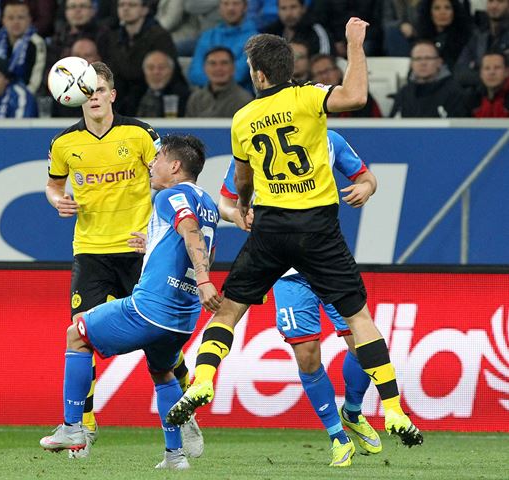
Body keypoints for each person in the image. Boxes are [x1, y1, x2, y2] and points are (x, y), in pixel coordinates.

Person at [167, 24, 424, 462]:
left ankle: (204, 378)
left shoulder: (244, 117)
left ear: (259, 75)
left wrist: (247, 207)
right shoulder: (309, 98)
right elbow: (356, 96)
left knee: (229, 311)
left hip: (270, 227)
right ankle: (395, 407)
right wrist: (357, 45)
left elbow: (242, 182)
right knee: (359, 318)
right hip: (318, 229)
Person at [45, 61, 203, 460]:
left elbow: (170, 178)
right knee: (82, 336)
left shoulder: (140, 133)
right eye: (87, 90)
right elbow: (53, 184)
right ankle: (83, 427)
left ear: (112, 94)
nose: (94, 96)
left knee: (159, 350)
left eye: (100, 89)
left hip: (137, 253)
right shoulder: (64, 143)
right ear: (77, 96)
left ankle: (184, 414)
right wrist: (57, 201)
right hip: (91, 251)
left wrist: (152, 236)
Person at [218, 130, 382, 465]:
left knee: (362, 347)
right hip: (285, 272)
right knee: (307, 356)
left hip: (325, 262)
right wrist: (237, 214)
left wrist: (365, 188)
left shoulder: (329, 138)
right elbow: (225, 200)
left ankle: (352, 410)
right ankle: (337, 437)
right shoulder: (256, 138)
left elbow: (366, 177)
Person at [97, 0, 179, 115]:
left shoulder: (160, 36)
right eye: (121, 5)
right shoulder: (111, 37)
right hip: (120, 95)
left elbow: (167, 71)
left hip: (151, 94)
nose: (125, 9)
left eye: (132, 5)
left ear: (145, 10)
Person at [188, 0, 258, 91]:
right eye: (226, 3)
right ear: (219, 8)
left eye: (235, 3)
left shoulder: (254, 40)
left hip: (240, 99)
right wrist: (218, 80)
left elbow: (239, 75)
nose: (230, 8)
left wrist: (213, 79)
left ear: (245, 7)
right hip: (207, 97)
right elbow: (194, 74)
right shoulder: (208, 35)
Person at [0, 0, 47, 93]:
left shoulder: (36, 43)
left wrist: (23, 97)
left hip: (25, 96)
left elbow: (36, 79)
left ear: (29, 20)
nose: (16, 22)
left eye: (21, 17)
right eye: (11, 18)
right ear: (3, 20)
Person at [390, 39, 469, 117]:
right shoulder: (404, 93)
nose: (423, 63)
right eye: (417, 59)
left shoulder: (454, 92)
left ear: (439, 62)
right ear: (411, 64)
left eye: (428, 58)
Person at [455, 0, 509, 91]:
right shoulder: (478, 36)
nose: (494, 6)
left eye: (500, 1)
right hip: (479, 96)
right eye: (490, 1)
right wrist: (490, 77)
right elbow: (460, 73)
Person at [185, 46, 253, 117]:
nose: (218, 68)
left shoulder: (244, 101)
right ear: (205, 68)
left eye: (224, 63)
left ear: (233, 68)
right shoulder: (195, 99)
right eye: (213, 63)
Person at [311, 54, 382, 117]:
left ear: (338, 72)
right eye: (319, 73)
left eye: (327, 70)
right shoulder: (310, 100)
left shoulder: (355, 93)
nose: (324, 77)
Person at [414, 0, 474, 70]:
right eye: (437, 8)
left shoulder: (465, 38)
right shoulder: (422, 37)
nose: (442, 13)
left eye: (447, 8)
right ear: (429, 12)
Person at [262, 0, 333, 57]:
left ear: (303, 8)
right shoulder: (272, 33)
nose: (288, 13)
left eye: (293, 7)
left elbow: (324, 60)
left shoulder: (315, 30)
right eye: (283, 8)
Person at [136, 50, 191, 118]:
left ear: (171, 71)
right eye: (151, 68)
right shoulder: (134, 95)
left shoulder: (184, 96)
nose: (156, 72)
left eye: (161, 68)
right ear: (144, 71)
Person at [468, 50, 509, 116]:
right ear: (481, 73)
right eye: (487, 68)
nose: (492, 72)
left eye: (497, 67)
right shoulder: (472, 100)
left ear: (507, 72)